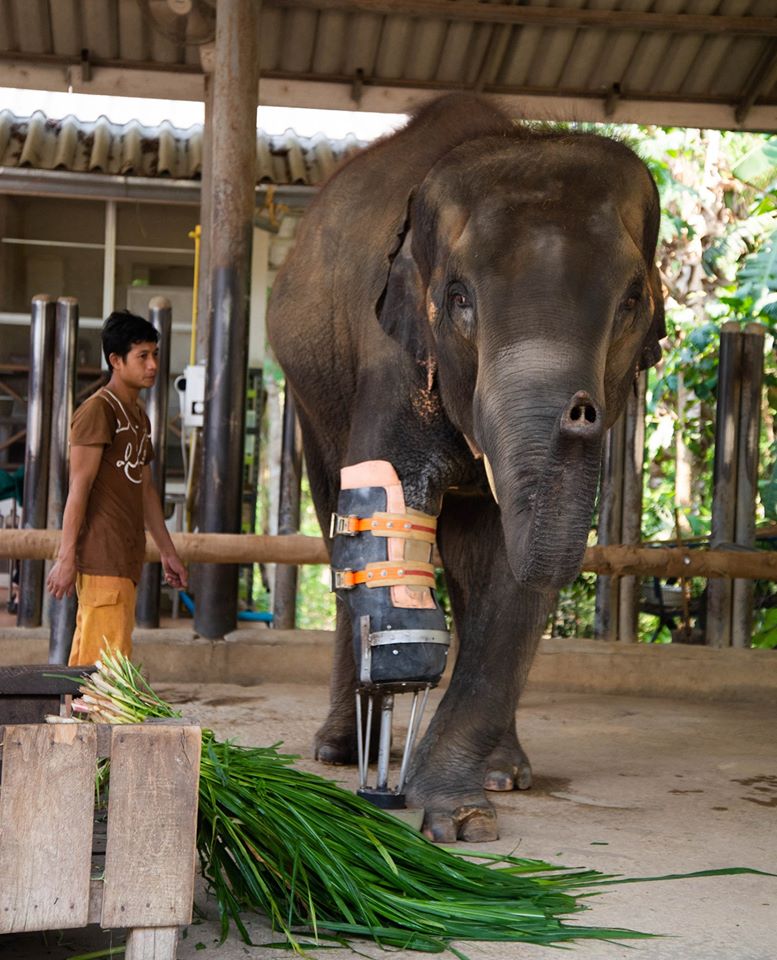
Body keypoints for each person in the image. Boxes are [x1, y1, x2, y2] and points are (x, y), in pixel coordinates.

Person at [46, 310, 187, 665]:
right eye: (142, 356)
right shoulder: (97, 411)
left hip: (127, 557)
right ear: (116, 360)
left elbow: (145, 491)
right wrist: (66, 558)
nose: (153, 364)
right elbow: (78, 488)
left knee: (101, 661)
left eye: (154, 354)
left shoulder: (139, 416)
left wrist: (168, 552)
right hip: (100, 556)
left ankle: (79, 718)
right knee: (104, 673)